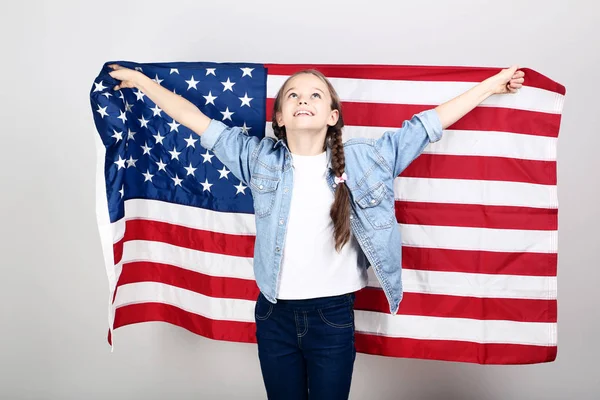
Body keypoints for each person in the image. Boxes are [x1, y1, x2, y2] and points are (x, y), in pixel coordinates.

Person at [108, 63, 524, 399]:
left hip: (332, 317)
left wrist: (489, 87)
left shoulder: (367, 160)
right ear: (280, 117)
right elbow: (196, 120)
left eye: (314, 95)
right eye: (293, 96)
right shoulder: (258, 158)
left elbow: (425, 126)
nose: (302, 100)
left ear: (332, 116)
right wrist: (143, 82)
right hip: (274, 316)